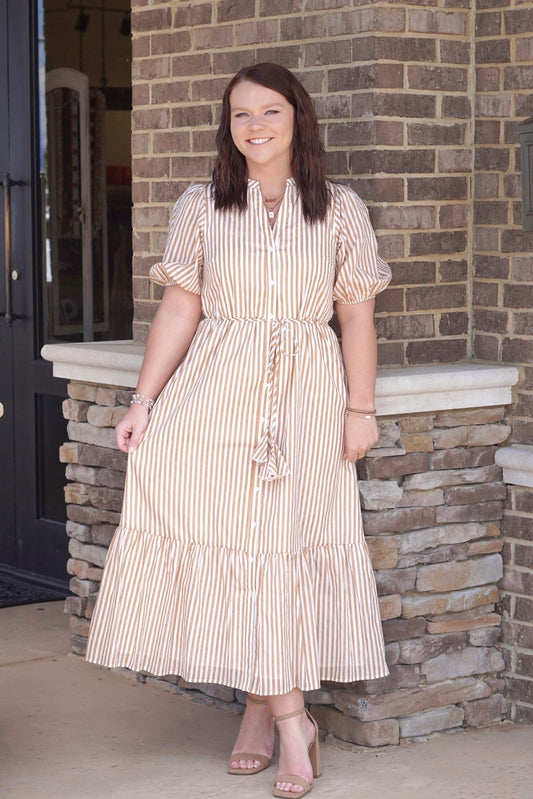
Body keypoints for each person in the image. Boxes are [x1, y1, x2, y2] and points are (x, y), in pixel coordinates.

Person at [86, 62, 391, 798]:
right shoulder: (202, 205)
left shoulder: (339, 209)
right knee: (236, 545)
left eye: (269, 111)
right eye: (241, 115)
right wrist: (142, 401)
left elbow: (355, 317)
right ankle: (288, 722)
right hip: (215, 396)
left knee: (280, 550)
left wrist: (361, 409)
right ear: (228, 128)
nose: (255, 126)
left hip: (307, 403)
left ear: (297, 118)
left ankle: (265, 712)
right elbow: (179, 309)